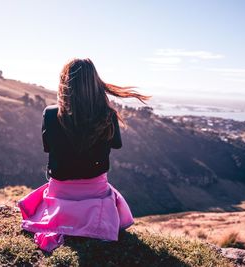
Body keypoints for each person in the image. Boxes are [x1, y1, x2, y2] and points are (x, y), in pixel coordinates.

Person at [17, 58, 150, 252]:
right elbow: (117, 144)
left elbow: (47, 148)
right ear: (95, 83)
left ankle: (62, 218)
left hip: (59, 190)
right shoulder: (107, 114)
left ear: (65, 83)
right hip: (95, 191)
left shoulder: (51, 114)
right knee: (107, 190)